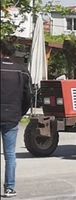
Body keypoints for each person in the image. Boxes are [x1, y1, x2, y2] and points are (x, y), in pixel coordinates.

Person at [0, 40, 32, 198]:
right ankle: (9, 187)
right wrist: (20, 112)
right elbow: (29, 96)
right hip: (12, 116)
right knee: (10, 154)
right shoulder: (22, 71)